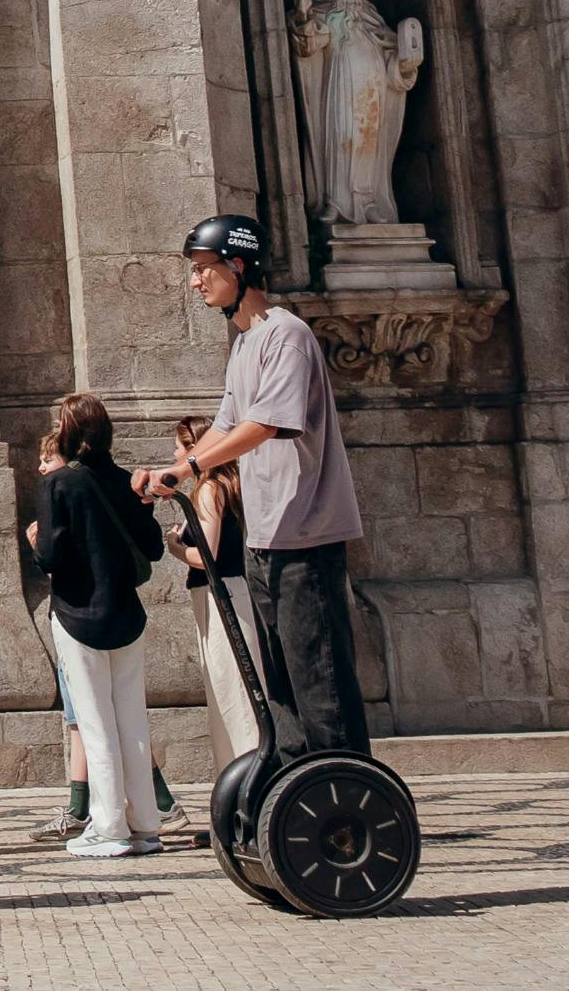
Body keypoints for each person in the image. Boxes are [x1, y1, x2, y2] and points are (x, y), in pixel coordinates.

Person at [137, 214, 370, 764]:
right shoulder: (246, 343)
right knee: (282, 685)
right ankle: (293, 785)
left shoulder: (286, 336)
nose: (195, 281)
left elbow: (264, 424)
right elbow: (225, 425)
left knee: (320, 683)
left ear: (238, 266)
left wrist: (192, 466)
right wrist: (172, 471)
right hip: (266, 537)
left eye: (203, 269)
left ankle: (343, 792)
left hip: (306, 534)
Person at [28, 393, 168, 861]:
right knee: (132, 719)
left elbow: (50, 557)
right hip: (126, 614)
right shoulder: (127, 481)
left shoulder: (58, 484)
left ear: (68, 431)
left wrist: (34, 541)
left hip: (77, 614)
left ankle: (108, 826)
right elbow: (153, 549)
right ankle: (145, 824)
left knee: (94, 721)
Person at [166, 415, 260, 761]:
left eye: (178, 448)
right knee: (236, 687)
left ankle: (244, 769)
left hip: (219, 597)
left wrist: (175, 546)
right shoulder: (230, 485)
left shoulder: (209, 489)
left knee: (231, 689)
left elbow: (206, 556)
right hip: (232, 593)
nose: (175, 455)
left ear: (194, 448)